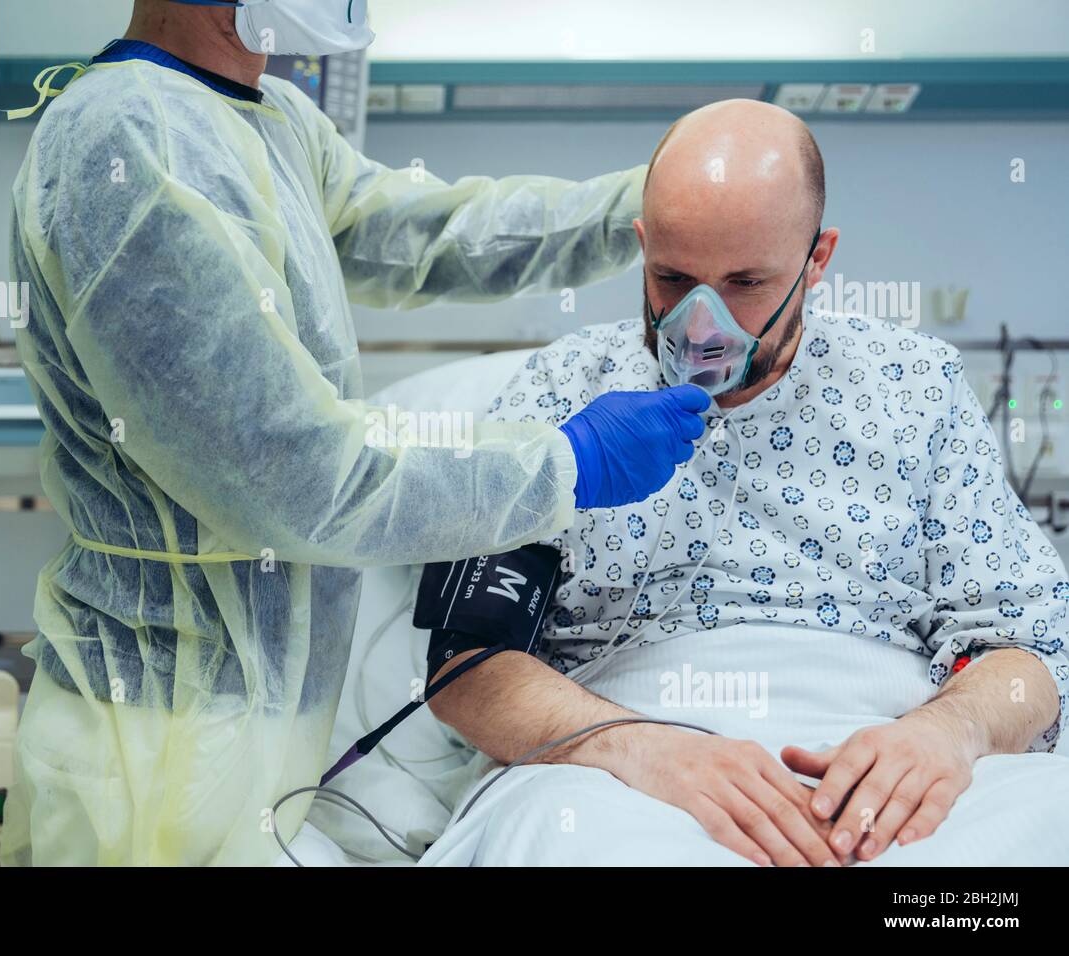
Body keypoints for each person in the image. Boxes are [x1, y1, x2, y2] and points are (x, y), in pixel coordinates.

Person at [0, 0, 706, 865]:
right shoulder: (130, 144)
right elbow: (296, 480)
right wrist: (565, 463)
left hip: (264, 721)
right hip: (159, 729)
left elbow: (427, 238)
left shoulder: (271, 118)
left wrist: (647, 204)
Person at [420, 99, 1069, 867]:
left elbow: (1030, 645)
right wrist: (643, 748)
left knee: (1045, 817)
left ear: (817, 259)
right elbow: (466, 669)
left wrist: (946, 733)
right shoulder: (562, 390)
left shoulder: (918, 386)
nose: (701, 325)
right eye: (673, 278)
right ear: (642, 246)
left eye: (746, 282)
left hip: (881, 745)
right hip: (618, 764)